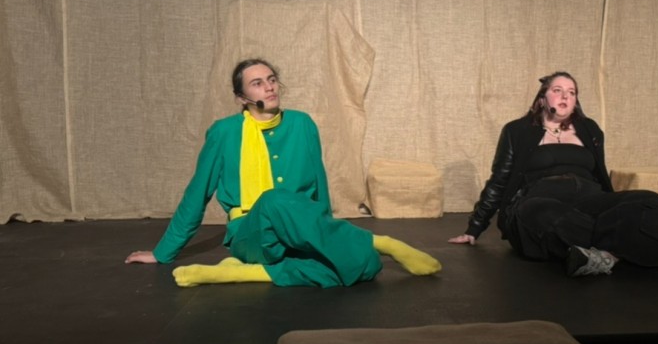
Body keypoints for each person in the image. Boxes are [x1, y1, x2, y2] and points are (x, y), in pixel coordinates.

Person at [126, 58, 441, 287]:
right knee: (274, 200)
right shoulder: (224, 132)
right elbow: (197, 194)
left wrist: (323, 230)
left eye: (272, 79)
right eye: (257, 83)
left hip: (299, 230)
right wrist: (162, 252)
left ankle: (241, 273)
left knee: (366, 266)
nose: (269, 86)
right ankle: (381, 242)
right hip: (251, 233)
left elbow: (319, 187)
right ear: (241, 98)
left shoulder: (302, 124)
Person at [448, 71, 658, 276]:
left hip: (588, 200)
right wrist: (474, 228)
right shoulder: (517, 130)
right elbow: (499, 180)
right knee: (540, 213)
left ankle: (607, 256)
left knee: (651, 201)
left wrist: (614, 205)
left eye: (571, 93)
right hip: (540, 199)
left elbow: (600, 174)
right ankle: (642, 242)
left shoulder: (589, 129)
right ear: (542, 98)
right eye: (557, 90)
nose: (565, 96)